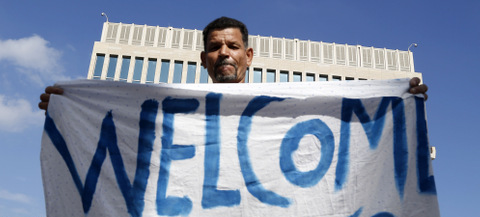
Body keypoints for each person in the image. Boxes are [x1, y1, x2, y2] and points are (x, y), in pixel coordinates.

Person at [38, 16, 428, 111]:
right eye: (215, 46)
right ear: (204, 59)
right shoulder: (169, 105)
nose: (224, 52)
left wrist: (396, 101)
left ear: (248, 55)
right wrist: (69, 108)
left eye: (232, 46)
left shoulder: (282, 104)